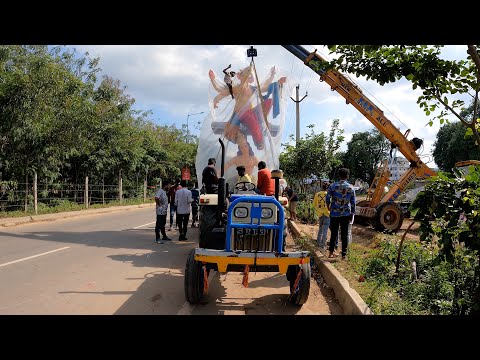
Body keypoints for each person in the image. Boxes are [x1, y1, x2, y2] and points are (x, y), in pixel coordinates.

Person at [326, 168, 356, 260]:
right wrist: (352, 213)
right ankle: (343, 255)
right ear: (347, 176)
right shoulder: (350, 188)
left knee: (334, 233)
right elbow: (353, 202)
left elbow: (327, 197)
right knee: (344, 234)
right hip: (345, 214)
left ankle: (331, 253)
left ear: (339, 175)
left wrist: (328, 206)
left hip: (334, 213)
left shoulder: (333, 186)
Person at [313, 182, 330, 251]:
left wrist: (318, 211)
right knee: (325, 230)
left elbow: (314, 205)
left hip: (320, 214)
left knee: (320, 229)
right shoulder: (328, 195)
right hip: (327, 214)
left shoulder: (317, 194)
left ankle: (318, 243)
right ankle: (323, 245)